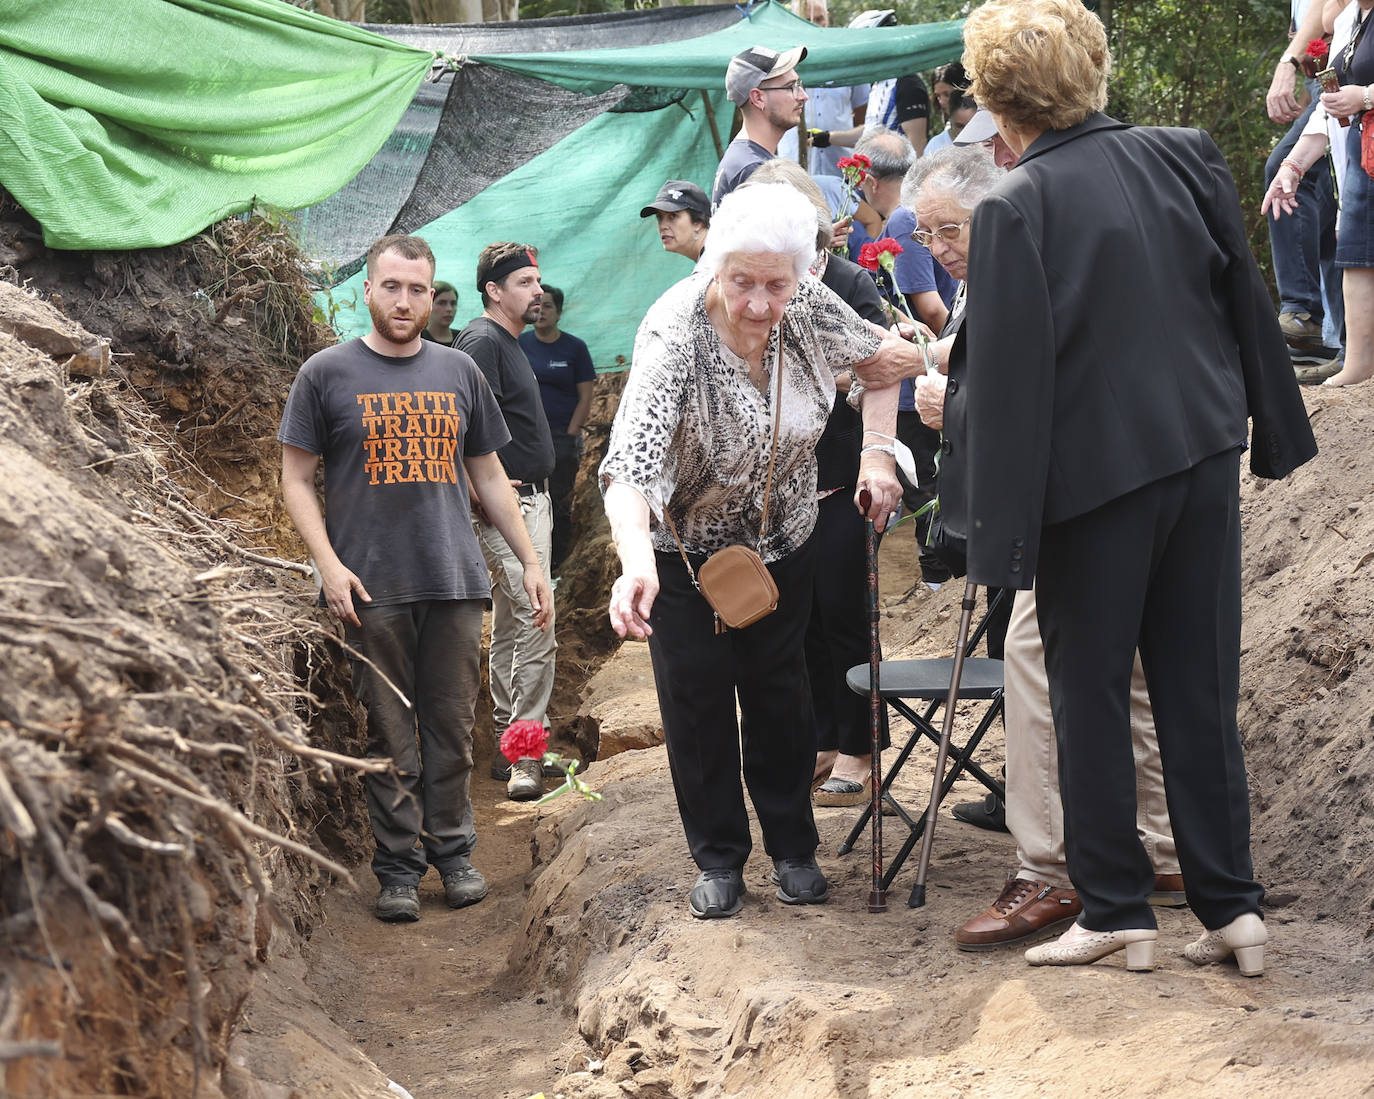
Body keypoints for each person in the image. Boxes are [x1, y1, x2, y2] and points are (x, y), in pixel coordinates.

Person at [937, 0, 1316, 972]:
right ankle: (1234, 911)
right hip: (1202, 457)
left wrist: (994, 543)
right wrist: (1274, 430)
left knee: (1090, 694)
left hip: (1094, 487)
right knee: (1198, 690)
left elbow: (1009, 385)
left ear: (995, 101)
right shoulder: (1185, 153)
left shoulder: (1014, 206)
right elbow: (1244, 297)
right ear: (1094, 68)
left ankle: (1115, 911)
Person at [902, 146, 1186, 952]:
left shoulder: (1024, 261)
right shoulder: (1071, 241)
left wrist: (951, 404)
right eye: (925, 236)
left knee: (1033, 660)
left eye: (948, 229)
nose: (938, 249)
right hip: (1144, 487)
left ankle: (1051, 866)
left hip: (1076, 505)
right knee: (1131, 673)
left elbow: (1046, 394)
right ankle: (1165, 851)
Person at [600, 183, 903, 920]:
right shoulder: (674, 334)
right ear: (714, 262)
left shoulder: (809, 305)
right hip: (683, 554)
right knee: (697, 698)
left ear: (802, 273)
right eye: (742, 283)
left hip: (784, 539)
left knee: (781, 691)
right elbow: (631, 466)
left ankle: (793, 846)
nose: (761, 304)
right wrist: (634, 561)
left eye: (777, 284)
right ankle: (719, 856)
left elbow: (883, 361)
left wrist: (876, 453)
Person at [278, 234, 551, 923]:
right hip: (370, 587)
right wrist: (328, 564)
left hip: (454, 578)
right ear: (368, 290)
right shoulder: (325, 374)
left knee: (451, 729)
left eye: (418, 289)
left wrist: (529, 559)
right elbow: (296, 478)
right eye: (392, 287)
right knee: (390, 735)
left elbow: (489, 473)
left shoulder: (459, 370)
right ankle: (398, 869)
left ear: (433, 296)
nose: (404, 301)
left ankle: (454, 855)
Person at [744, 157, 894, 807]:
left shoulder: (849, 282)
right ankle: (824, 738)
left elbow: (877, 368)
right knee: (798, 619)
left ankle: (861, 747)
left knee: (844, 616)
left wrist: (814, 372)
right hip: (779, 485)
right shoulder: (756, 284)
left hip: (839, 478)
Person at [455, 243, 558, 802]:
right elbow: (460, 424)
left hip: (529, 503)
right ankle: (524, 752)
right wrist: (478, 490)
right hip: (509, 509)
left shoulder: (507, 342)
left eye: (537, 281)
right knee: (538, 620)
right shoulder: (482, 341)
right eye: (524, 282)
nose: (537, 291)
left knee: (516, 625)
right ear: (493, 291)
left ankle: (508, 741)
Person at [1263, 0, 1374, 388]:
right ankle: (1356, 363)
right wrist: (1292, 167)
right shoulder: (1347, 21)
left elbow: (1355, 98)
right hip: (1362, 152)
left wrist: (1367, 97)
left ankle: (1307, 316)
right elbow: (1328, 110)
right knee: (1355, 255)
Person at [519, 285, 596, 573]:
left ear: (560, 313)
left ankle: (556, 565)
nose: (541, 311)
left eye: (548, 306)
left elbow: (586, 396)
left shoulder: (574, 348)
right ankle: (530, 561)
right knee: (527, 498)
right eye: (537, 305)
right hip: (526, 437)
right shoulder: (520, 344)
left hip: (562, 437)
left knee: (558, 500)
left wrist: (572, 433)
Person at [777, 0, 869, 177]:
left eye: (819, 19)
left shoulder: (847, 61)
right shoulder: (783, 61)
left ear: (827, 18)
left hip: (840, 169)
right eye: (807, 20)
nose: (814, 26)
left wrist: (837, 137)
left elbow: (862, 115)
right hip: (793, 169)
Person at [712, 45, 809, 207]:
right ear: (758, 98)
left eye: (799, 84)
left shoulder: (746, 159)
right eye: (791, 87)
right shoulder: (753, 169)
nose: (803, 96)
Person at [639, 180, 711, 264]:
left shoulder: (718, 261)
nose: (662, 226)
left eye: (673, 216)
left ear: (698, 222)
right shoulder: (711, 259)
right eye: (659, 217)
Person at [421, 280, 460, 346]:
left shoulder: (462, 339)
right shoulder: (417, 340)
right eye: (442, 303)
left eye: (453, 303)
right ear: (428, 305)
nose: (449, 309)